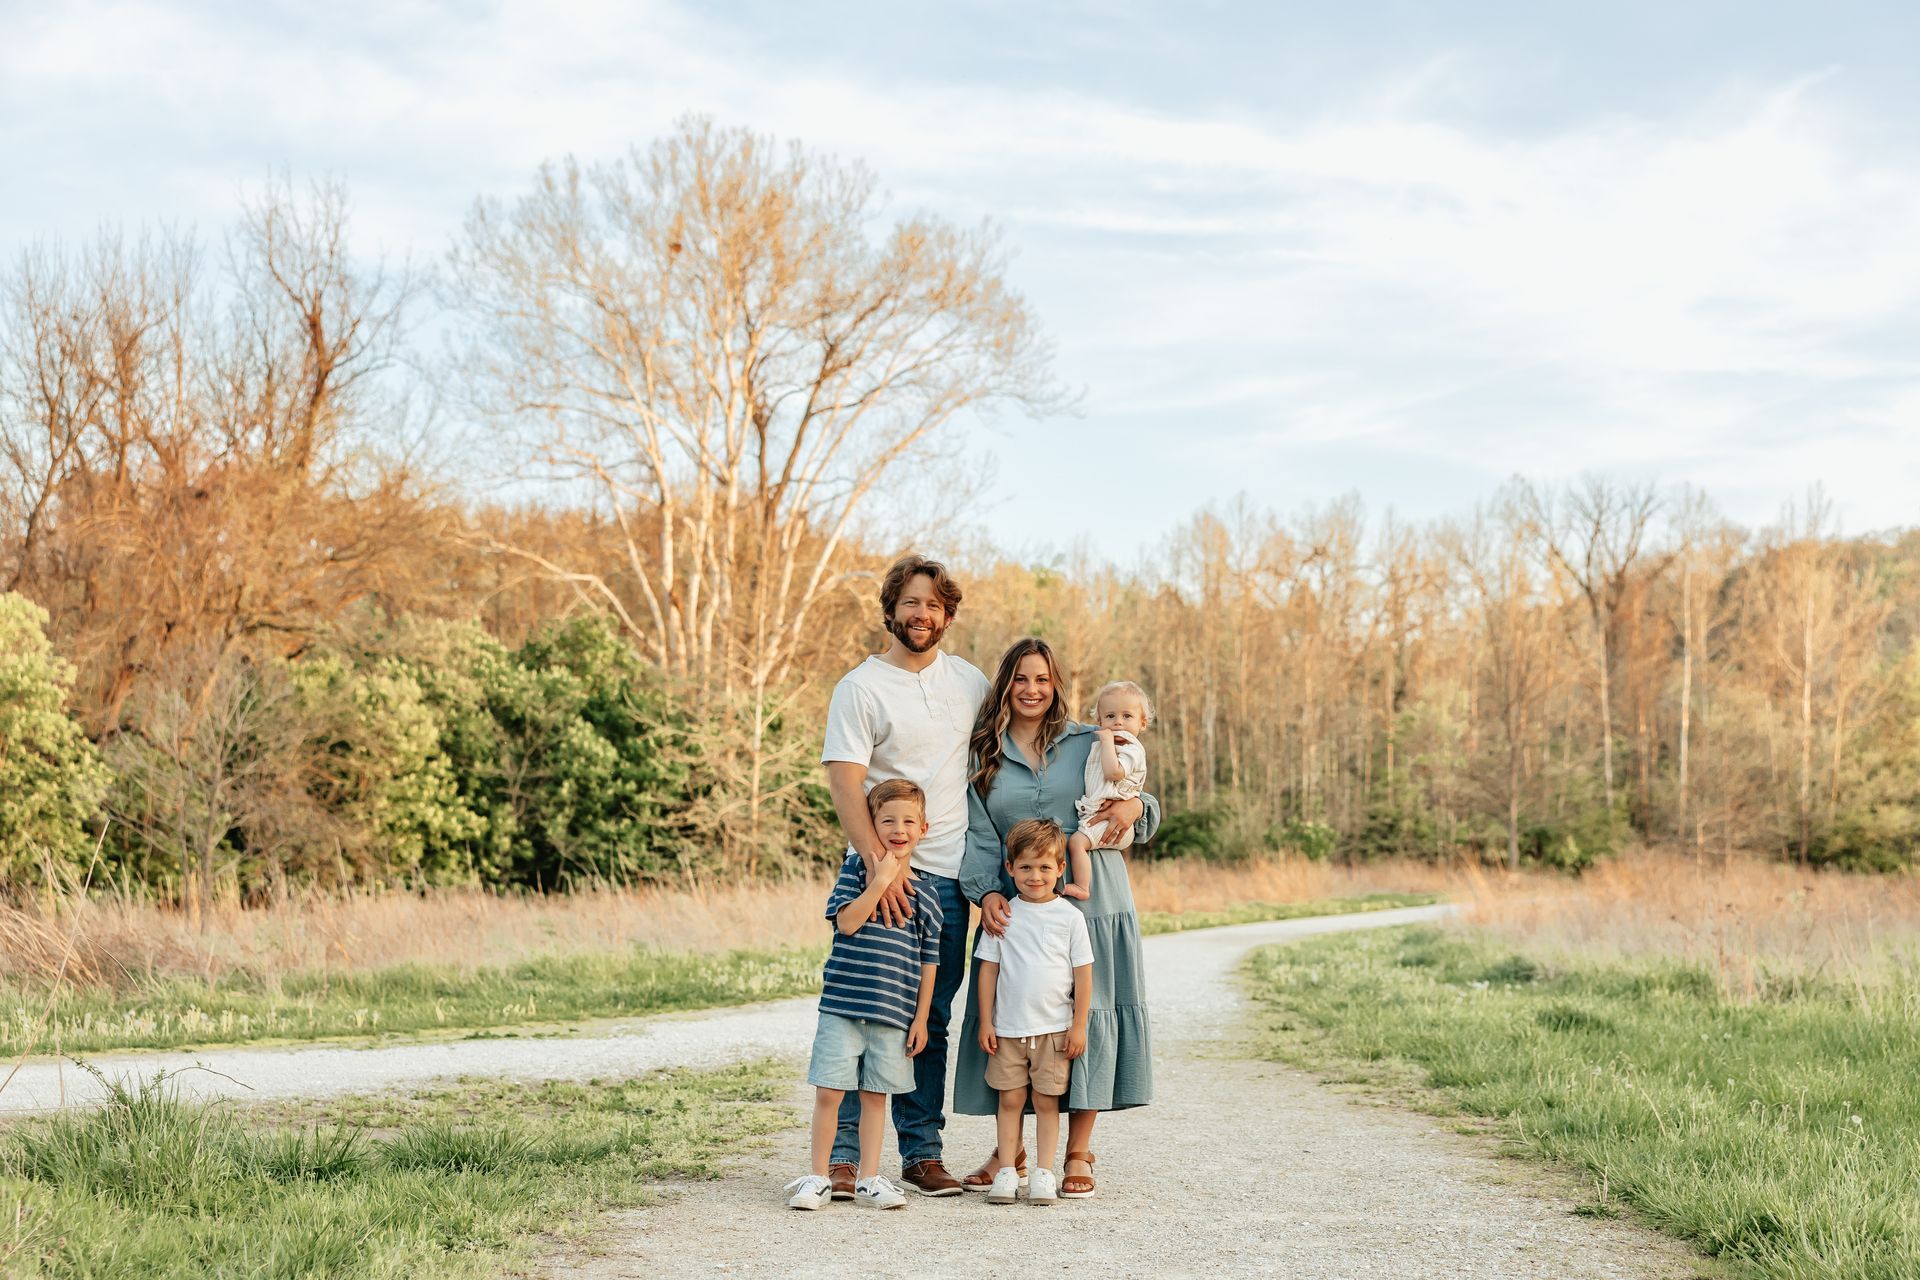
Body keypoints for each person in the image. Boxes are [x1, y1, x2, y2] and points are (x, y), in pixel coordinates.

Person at [955, 638, 1158, 1200]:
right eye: (1020, 678)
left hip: (1095, 902)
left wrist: (1137, 808)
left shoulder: (1085, 740)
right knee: (1015, 1018)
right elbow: (977, 832)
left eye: (1042, 679)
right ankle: (1010, 1151)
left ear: (1056, 684)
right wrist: (982, 893)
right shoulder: (984, 753)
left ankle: (1077, 1150)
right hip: (1013, 908)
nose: (1031, 690)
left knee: (1084, 1016)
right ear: (1005, 684)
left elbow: (1136, 792)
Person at [818, 554, 987, 1198]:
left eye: (935, 605)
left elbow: (1033, 731)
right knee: (864, 1011)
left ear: (948, 616)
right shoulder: (860, 687)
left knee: (930, 1018)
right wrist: (879, 872)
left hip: (944, 881)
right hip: (882, 875)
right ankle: (842, 1159)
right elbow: (844, 781)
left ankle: (921, 1154)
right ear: (891, 608)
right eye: (912, 603)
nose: (923, 615)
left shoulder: (968, 682)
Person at [785, 780, 941, 1211]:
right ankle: (818, 1176)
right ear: (871, 825)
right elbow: (847, 923)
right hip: (842, 1007)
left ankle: (870, 1178)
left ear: (923, 829)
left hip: (894, 1015)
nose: (898, 828)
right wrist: (880, 880)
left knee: (876, 1096)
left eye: (909, 821)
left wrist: (921, 1018)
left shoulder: (927, 894)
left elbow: (930, 963)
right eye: (887, 819)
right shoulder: (854, 873)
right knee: (830, 1093)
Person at [974, 818, 1092, 1206]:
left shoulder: (1070, 917)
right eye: (1025, 867)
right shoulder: (1004, 914)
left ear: (1061, 869)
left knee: (1046, 1102)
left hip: (1054, 1031)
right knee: (1009, 1101)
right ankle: (1007, 1169)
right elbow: (988, 970)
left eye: (1045, 867)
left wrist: (1078, 1026)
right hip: (1008, 1030)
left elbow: (1083, 975)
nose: (1035, 876)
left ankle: (1044, 1171)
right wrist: (987, 1021)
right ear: (1009, 869)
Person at [1062, 681, 1152, 902]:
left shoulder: (1132, 750)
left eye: (1127, 716)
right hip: (1097, 814)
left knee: (1076, 843)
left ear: (1142, 723)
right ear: (1099, 721)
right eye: (1110, 716)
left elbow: (1114, 772)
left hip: (1112, 822)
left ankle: (1082, 886)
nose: (1118, 722)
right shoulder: (1106, 744)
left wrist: (1106, 740)